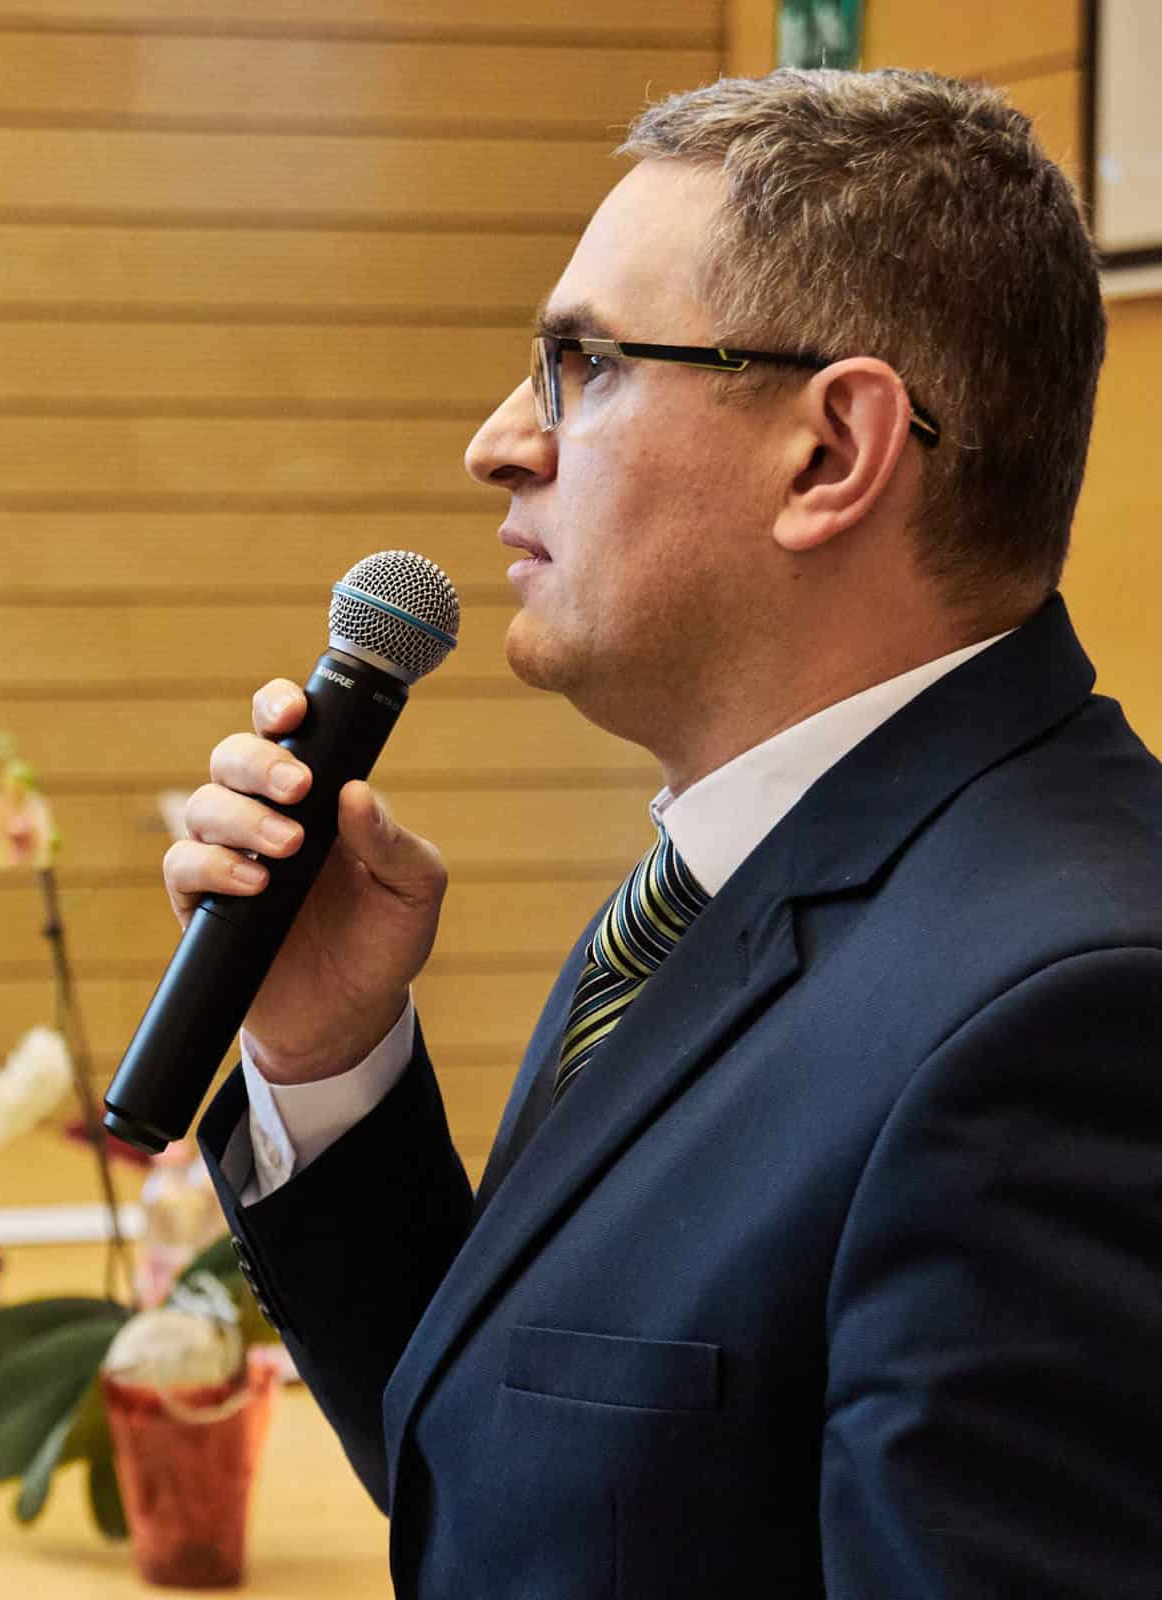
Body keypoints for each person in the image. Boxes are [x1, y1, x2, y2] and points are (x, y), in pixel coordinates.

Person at [174, 69, 1162, 1597]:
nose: (500, 442)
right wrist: (328, 1055)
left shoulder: (1075, 1011)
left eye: (580, 363)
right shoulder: (725, 882)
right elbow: (526, 1483)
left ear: (831, 453)